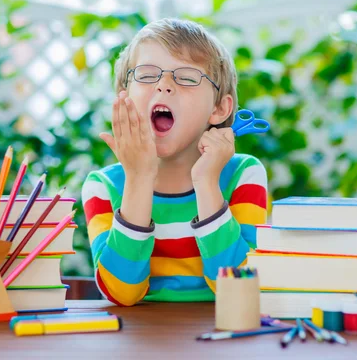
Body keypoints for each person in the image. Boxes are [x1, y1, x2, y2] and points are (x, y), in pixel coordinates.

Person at [81, 18, 267, 306]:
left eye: (188, 77)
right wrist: (139, 179)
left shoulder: (243, 174)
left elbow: (241, 287)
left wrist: (206, 182)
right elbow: (122, 293)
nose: (164, 86)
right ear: (124, 96)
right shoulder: (103, 187)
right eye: (146, 75)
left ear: (218, 108)